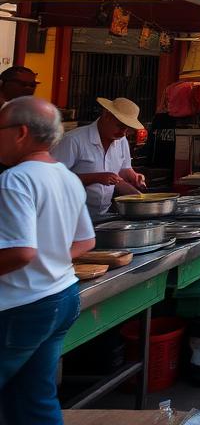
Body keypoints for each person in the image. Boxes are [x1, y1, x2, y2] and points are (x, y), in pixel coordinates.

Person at [0, 97, 95, 424]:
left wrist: (40, 257)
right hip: (63, 296)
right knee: (34, 398)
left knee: (30, 397)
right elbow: (86, 240)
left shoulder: (16, 179)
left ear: (21, 132)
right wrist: (52, 257)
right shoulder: (66, 177)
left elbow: (20, 252)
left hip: (22, 306)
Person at [52, 97, 148, 217]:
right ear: (107, 115)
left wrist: (133, 176)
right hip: (69, 215)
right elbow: (54, 178)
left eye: (128, 129)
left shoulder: (122, 140)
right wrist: (95, 177)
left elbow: (122, 171)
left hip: (103, 214)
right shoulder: (73, 140)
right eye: (120, 126)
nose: (123, 133)